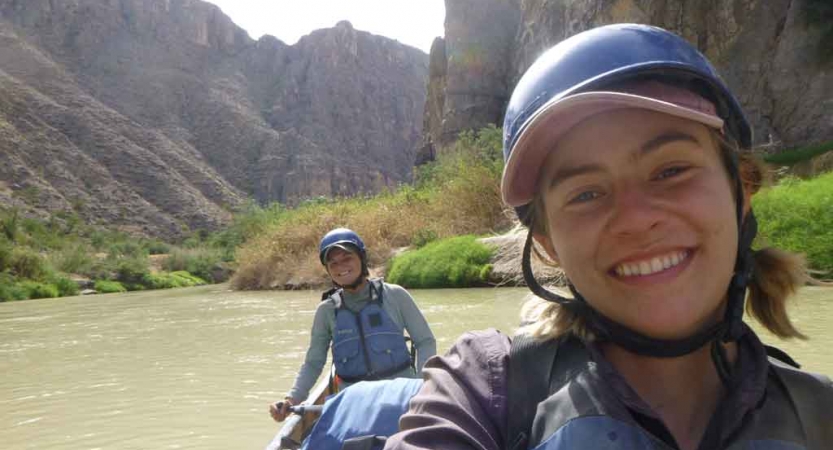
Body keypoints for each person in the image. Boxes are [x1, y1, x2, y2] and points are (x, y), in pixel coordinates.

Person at [384, 24, 832, 450]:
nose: (635, 220)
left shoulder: (822, 412)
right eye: (586, 194)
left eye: (671, 170)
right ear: (548, 243)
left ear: (742, 190)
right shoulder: (483, 387)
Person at [270, 227, 436, 423]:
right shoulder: (326, 311)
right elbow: (314, 362)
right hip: (353, 403)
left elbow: (425, 341)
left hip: (400, 397)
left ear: (361, 258)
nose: (341, 267)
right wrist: (291, 399)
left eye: (347, 258)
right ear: (328, 270)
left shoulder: (395, 295)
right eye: (333, 263)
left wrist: (421, 387)